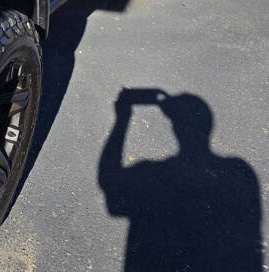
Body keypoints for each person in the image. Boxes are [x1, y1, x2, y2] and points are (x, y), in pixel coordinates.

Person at [99, 89, 262, 271]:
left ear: (175, 129)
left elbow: (110, 184)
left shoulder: (153, 175)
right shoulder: (238, 173)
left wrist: (122, 119)